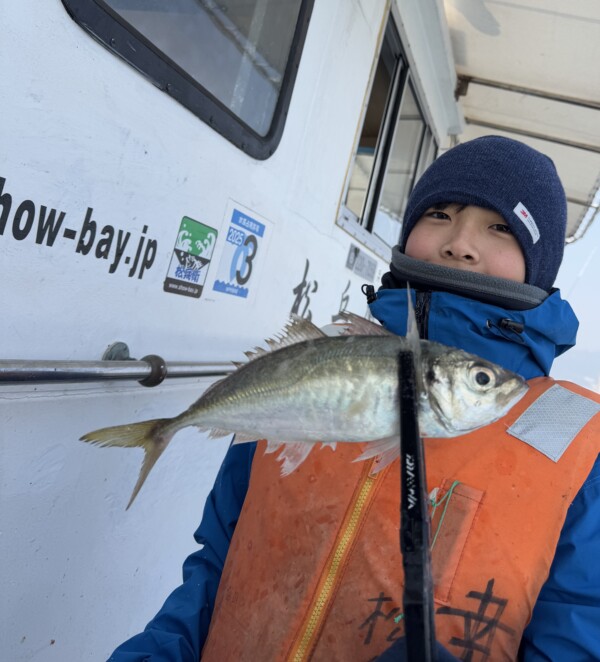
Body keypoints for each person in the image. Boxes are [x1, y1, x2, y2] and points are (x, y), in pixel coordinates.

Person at [108, 136, 600, 661]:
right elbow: (216, 563)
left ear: (540, 263)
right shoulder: (312, 373)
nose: (460, 243)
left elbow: (578, 630)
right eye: (439, 213)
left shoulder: (577, 435)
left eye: (500, 227)